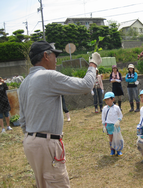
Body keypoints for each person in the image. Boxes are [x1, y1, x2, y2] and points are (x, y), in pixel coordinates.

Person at [19, 41, 102, 188]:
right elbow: (85, 85)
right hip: (46, 142)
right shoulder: (48, 76)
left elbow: (23, 120)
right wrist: (93, 65)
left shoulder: (24, 83)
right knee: (57, 183)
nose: (56, 60)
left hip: (30, 142)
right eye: (54, 55)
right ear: (46, 55)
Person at [102, 92, 123, 156]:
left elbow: (120, 115)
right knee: (111, 138)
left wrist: (118, 121)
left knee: (117, 138)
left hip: (116, 126)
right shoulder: (105, 108)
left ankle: (119, 150)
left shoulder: (116, 107)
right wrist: (104, 126)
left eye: (108, 99)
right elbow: (103, 117)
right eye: (106, 100)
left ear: (113, 99)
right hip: (109, 126)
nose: (107, 101)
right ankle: (112, 150)